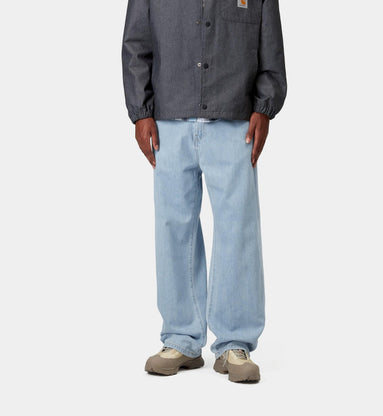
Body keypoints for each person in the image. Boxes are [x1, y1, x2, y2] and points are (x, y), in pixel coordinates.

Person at [122, 0, 286, 383]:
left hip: (235, 120)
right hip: (168, 120)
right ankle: (181, 338)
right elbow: (136, 44)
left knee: (238, 229)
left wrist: (264, 108)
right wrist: (140, 112)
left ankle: (234, 343)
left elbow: (271, 48)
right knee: (173, 228)